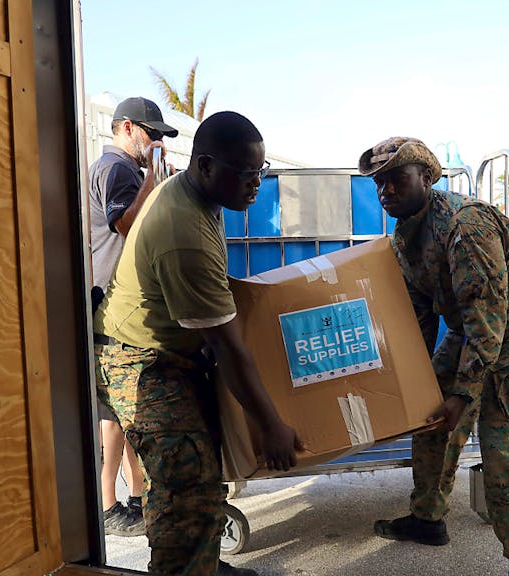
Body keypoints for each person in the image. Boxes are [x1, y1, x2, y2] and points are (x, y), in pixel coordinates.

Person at [94, 111, 302, 576]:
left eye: (260, 172)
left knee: (202, 477)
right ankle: (185, 564)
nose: (255, 184)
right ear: (206, 166)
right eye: (246, 174)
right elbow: (228, 350)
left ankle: (202, 562)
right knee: (185, 488)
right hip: (139, 362)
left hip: (167, 351)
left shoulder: (196, 196)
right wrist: (271, 425)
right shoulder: (183, 229)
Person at [358, 137, 509, 576]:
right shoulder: (405, 237)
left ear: (427, 177)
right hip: (471, 329)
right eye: (380, 183)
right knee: (429, 416)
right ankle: (427, 518)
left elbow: (488, 322)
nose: (386, 191)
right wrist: (416, 381)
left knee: (502, 452)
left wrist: (463, 396)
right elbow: (421, 317)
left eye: (397, 180)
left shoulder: (465, 225)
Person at [89, 96, 179, 537]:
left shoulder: (123, 170)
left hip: (116, 308)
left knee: (125, 412)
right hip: (112, 308)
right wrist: (155, 180)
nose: (156, 141)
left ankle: (135, 495)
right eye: (152, 133)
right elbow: (124, 224)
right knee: (114, 414)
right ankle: (108, 506)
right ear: (127, 128)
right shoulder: (118, 169)